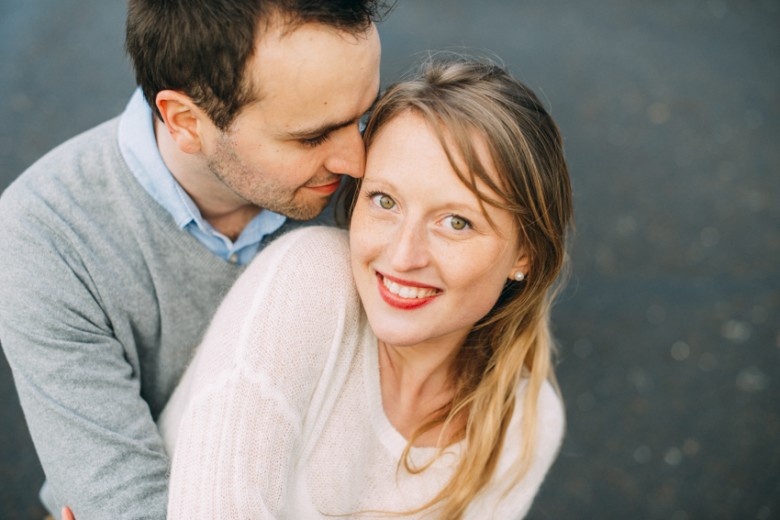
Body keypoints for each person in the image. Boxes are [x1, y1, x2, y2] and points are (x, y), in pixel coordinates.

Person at [0, 0, 388, 517]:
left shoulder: (392, 183)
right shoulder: (45, 236)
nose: (359, 164)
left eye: (364, 114)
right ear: (184, 120)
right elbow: (130, 505)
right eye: (311, 136)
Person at [158, 54, 574, 519]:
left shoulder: (523, 423)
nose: (402, 255)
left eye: (456, 222)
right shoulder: (308, 283)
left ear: (525, 255)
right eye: (385, 200)